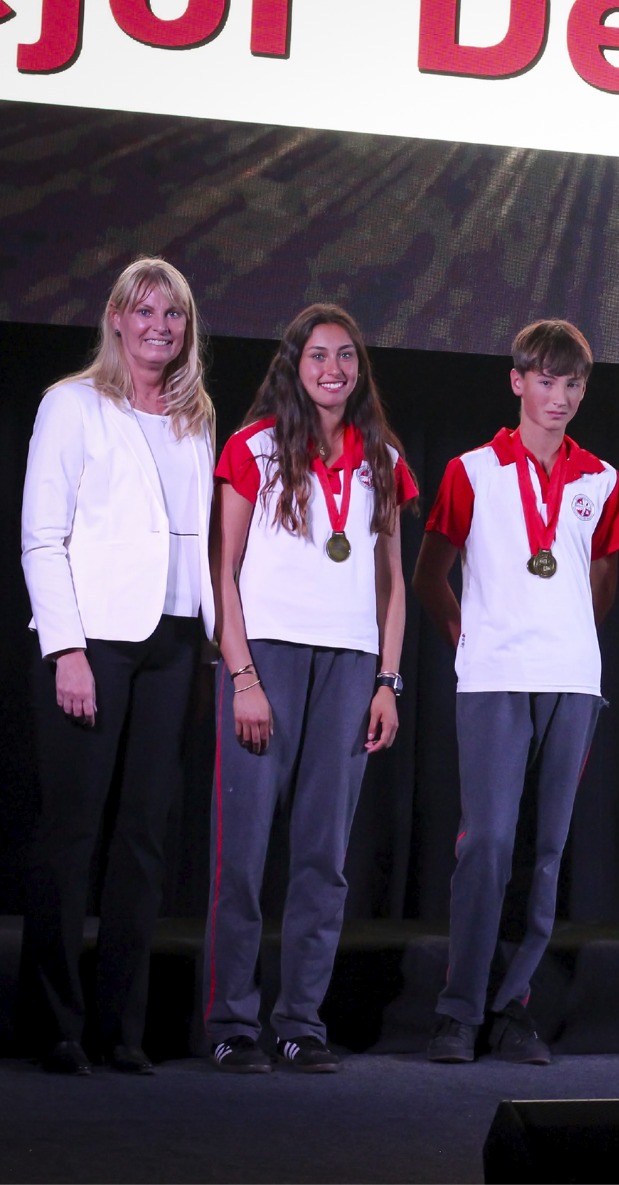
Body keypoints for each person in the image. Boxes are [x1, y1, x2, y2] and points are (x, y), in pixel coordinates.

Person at [416, 320, 619, 1065]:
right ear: (517, 382)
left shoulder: (602, 479)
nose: (559, 396)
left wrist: (564, 638)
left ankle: (512, 1007)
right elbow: (430, 574)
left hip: (571, 682)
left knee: (545, 852)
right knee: (487, 843)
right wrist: (468, 638)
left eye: (572, 384)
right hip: (493, 679)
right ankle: (458, 1010)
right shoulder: (471, 471)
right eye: (546, 381)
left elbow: (603, 581)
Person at [206, 304, 417, 1073]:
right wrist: (243, 676)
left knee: (324, 857)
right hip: (267, 660)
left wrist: (387, 680)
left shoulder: (382, 456)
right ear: (294, 363)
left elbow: (391, 582)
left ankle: (300, 1021)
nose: (335, 369)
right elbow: (222, 571)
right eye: (320, 355)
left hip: (351, 666)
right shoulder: (254, 447)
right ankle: (231, 1023)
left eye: (347, 356)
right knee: (242, 853)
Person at [19, 257, 217, 1076]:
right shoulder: (71, 404)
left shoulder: (195, 417)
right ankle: (55, 1025)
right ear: (116, 318)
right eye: (145, 311)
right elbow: (42, 537)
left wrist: (210, 645)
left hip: (175, 642)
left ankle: (120, 1027)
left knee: (143, 838)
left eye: (173, 315)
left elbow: (200, 538)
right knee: (72, 834)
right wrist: (66, 649)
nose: (159, 327)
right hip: (93, 642)